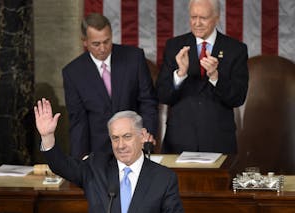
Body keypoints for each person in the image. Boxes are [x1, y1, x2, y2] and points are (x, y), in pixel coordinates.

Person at [34, 98, 184, 213]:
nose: (120, 145)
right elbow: (62, 166)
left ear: (142, 135)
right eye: (115, 138)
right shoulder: (96, 166)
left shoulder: (164, 178)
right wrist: (47, 137)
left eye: (127, 136)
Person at [156, 0, 249, 154]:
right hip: (179, 142)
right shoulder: (174, 46)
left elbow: (238, 98)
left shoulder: (235, 49)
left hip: (219, 142)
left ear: (216, 17)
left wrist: (215, 77)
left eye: (203, 18)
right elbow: (163, 95)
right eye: (193, 17)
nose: (197, 23)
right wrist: (180, 74)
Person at [62, 13, 158, 158]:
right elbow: (78, 122)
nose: (103, 48)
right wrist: (79, 161)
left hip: (135, 146)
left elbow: (148, 102)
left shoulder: (134, 58)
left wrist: (146, 134)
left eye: (107, 41)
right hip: (98, 153)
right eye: (96, 44)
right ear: (84, 41)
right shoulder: (73, 73)